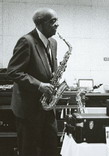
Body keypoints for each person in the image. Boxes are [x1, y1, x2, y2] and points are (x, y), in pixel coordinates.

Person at [7, 8, 59, 156]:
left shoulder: (53, 43)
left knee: (50, 148)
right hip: (28, 110)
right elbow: (13, 71)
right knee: (28, 150)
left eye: (57, 21)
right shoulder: (26, 41)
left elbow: (47, 67)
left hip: (47, 108)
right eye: (53, 21)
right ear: (40, 23)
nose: (57, 25)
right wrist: (40, 85)